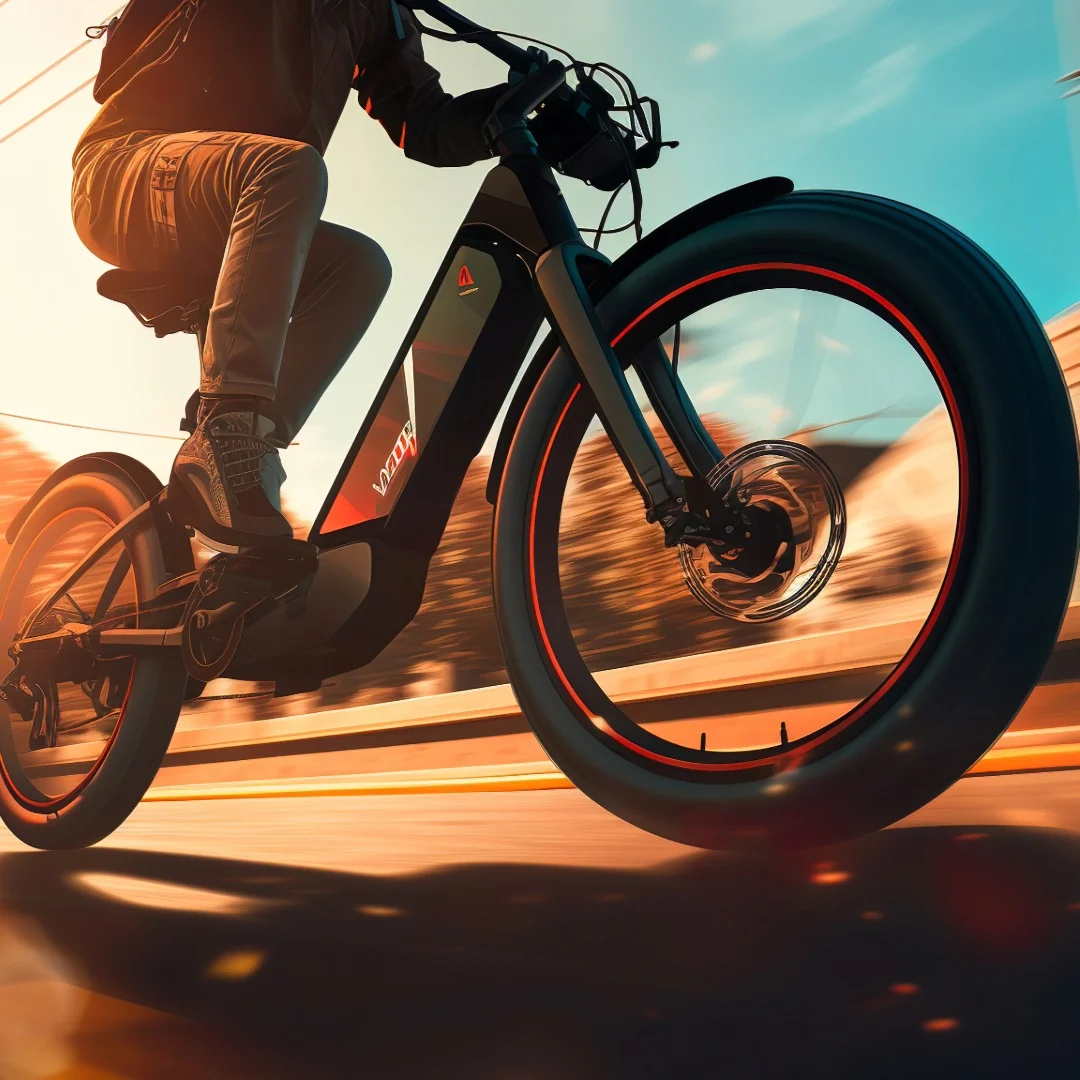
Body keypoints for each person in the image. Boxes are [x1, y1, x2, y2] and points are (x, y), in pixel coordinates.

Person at [71, 0, 506, 548]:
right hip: (127, 164)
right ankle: (227, 435)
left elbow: (427, 125)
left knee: (360, 267)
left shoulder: (379, 13)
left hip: (247, 201)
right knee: (289, 166)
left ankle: (250, 463)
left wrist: (522, 109)